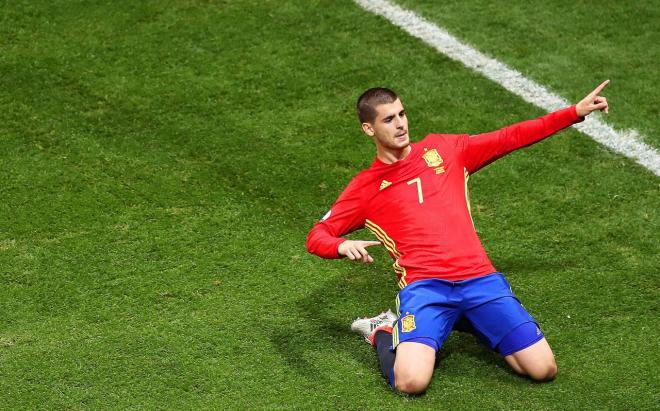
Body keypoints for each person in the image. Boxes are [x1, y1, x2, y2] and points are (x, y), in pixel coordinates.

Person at [306, 81, 610, 394]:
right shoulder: (365, 187)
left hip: (480, 280)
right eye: (388, 119)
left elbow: (510, 137)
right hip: (426, 290)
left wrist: (573, 113)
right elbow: (318, 235)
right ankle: (383, 329)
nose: (400, 124)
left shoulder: (445, 150)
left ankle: (468, 319)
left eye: (401, 114)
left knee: (542, 369)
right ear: (369, 129)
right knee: (411, 382)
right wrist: (341, 245)